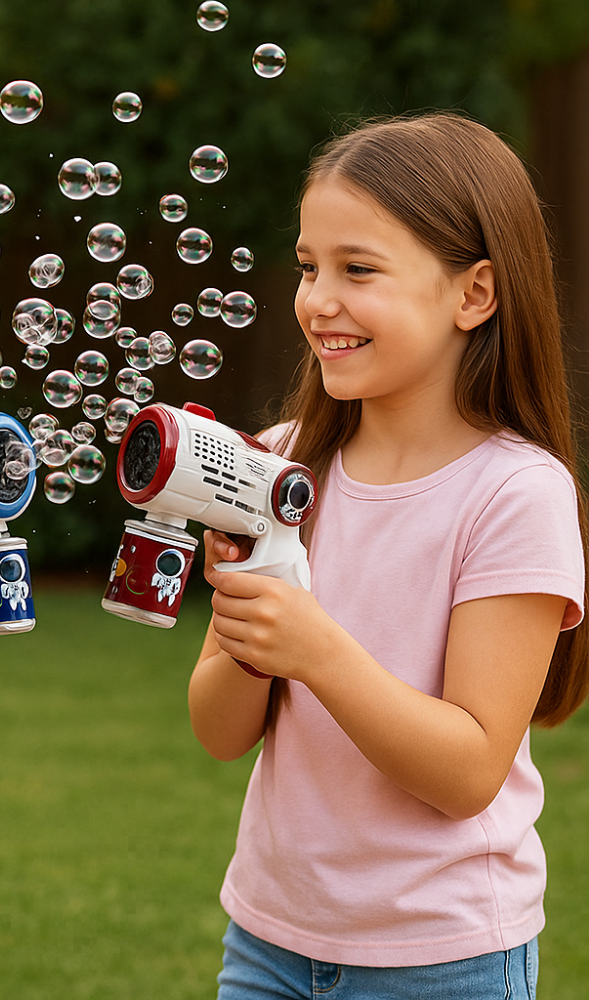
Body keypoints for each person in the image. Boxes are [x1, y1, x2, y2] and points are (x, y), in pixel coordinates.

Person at [189, 112, 588, 1000]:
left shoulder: (515, 494)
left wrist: (315, 649)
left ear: (474, 294)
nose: (317, 299)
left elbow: (469, 771)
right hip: (268, 942)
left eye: (357, 269)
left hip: (444, 959)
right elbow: (219, 733)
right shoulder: (278, 462)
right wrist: (252, 628)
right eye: (307, 267)